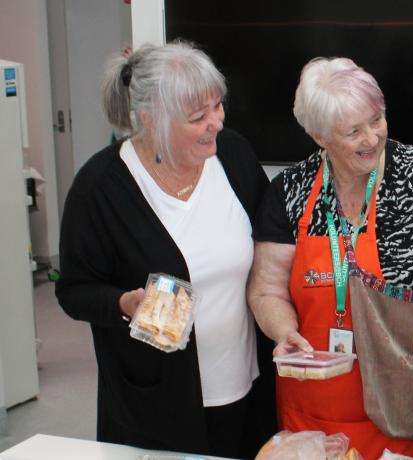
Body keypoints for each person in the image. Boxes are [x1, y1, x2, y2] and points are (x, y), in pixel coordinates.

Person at [249, 57, 413, 459]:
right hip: (320, 418)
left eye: (377, 120)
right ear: (319, 136)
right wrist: (285, 331)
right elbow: (266, 290)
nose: (372, 138)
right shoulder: (290, 191)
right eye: (353, 131)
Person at [55, 41, 276, 458]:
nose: (216, 122)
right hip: (157, 405)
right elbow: (74, 291)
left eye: (218, 106)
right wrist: (124, 302)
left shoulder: (234, 155)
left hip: (244, 383)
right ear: (149, 119)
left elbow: (269, 248)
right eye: (198, 116)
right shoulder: (100, 187)